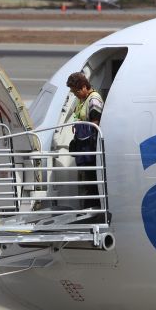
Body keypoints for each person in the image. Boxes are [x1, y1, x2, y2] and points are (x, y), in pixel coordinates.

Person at [66, 72, 104, 209]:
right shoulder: (81, 99)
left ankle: (94, 205)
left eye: (75, 91)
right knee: (87, 177)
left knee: (93, 177)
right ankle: (90, 204)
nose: (74, 94)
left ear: (83, 87)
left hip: (90, 146)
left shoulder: (94, 100)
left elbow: (95, 123)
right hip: (83, 144)